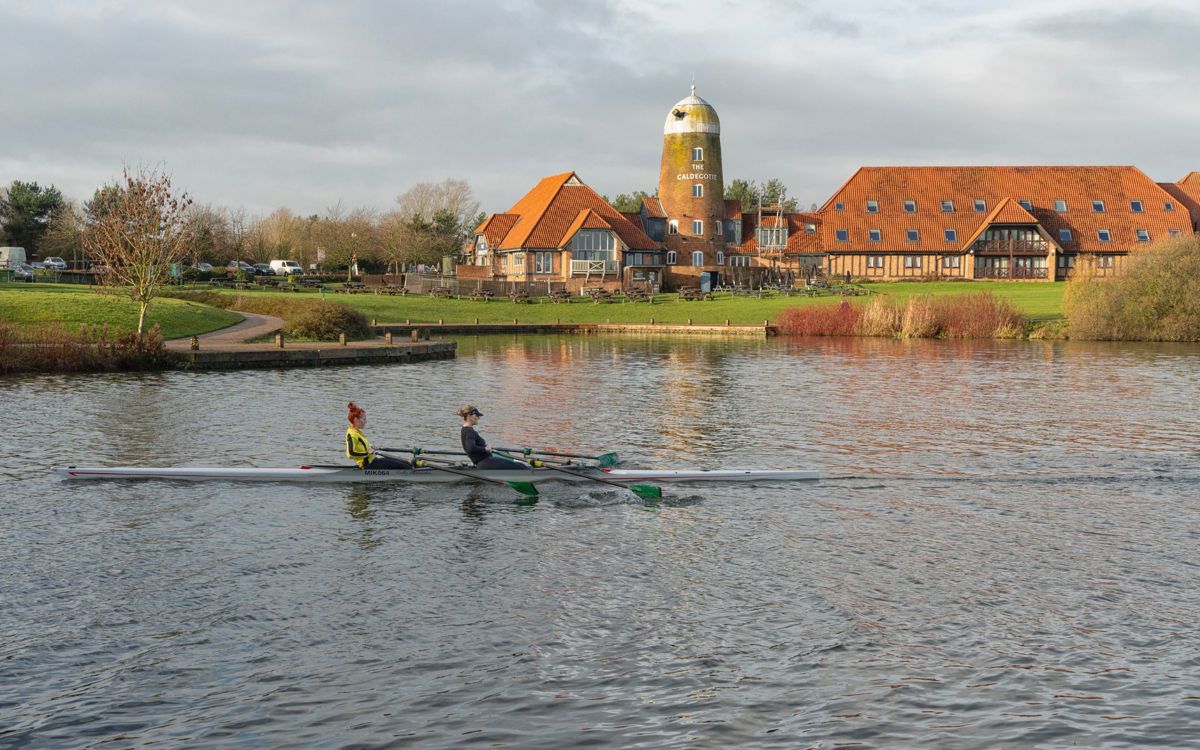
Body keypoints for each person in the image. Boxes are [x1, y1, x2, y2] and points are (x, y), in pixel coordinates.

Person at [457, 406, 530, 470]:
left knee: (514, 464)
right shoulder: (469, 431)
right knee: (520, 466)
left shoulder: (464, 429)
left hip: (483, 462)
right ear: (469, 415)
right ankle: (530, 473)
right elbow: (471, 449)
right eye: (477, 415)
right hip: (485, 462)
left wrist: (485, 448)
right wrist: (485, 449)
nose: (479, 417)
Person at [346, 402, 412, 470]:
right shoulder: (352, 434)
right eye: (364, 419)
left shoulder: (357, 432)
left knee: (402, 463)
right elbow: (350, 454)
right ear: (356, 420)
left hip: (372, 461)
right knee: (402, 466)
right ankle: (413, 474)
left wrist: (370, 446)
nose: (366, 421)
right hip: (368, 465)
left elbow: (361, 446)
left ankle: (410, 468)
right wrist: (367, 453)